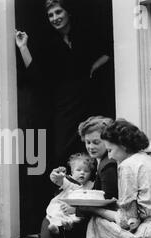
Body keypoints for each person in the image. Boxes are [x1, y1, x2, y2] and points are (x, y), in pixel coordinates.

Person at [15, 0, 111, 168]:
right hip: (65, 104)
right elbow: (36, 75)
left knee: (94, 145)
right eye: (50, 15)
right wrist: (23, 47)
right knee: (63, 150)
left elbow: (109, 51)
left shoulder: (84, 34)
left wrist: (95, 66)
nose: (55, 18)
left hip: (90, 99)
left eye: (58, 12)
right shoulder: (49, 44)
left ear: (68, 12)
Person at [21, 116, 117, 238]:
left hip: (102, 217)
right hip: (91, 213)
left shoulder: (108, 165)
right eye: (88, 142)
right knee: (52, 217)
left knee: (52, 220)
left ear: (107, 140)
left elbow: (109, 199)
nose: (91, 147)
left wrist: (77, 208)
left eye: (96, 142)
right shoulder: (102, 162)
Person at [46, 153, 96, 234]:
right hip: (61, 206)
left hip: (75, 210)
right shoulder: (68, 181)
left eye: (86, 171)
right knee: (57, 213)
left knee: (77, 218)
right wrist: (58, 175)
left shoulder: (89, 185)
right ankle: (55, 226)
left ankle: (68, 225)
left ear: (90, 173)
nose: (82, 173)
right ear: (72, 172)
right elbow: (57, 180)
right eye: (78, 170)